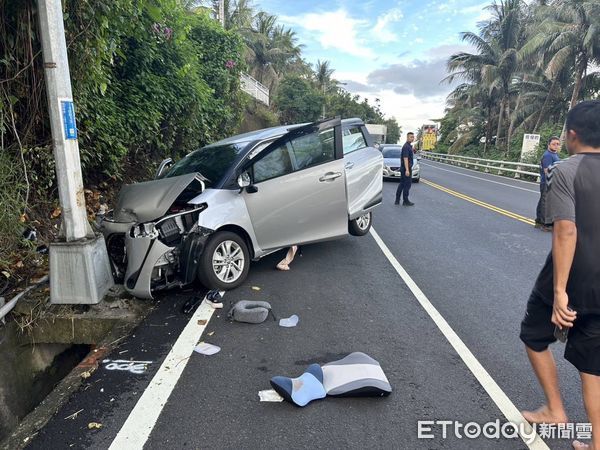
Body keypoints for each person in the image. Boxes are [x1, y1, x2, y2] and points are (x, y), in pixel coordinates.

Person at [519, 100, 600, 450]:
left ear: (571, 135)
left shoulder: (565, 170)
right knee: (594, 366)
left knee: (534, 336)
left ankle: (555, 409)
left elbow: (566, 231)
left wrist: (560, 292)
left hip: (571, 280)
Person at [535, 136, 561, 231]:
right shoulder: (548, 155)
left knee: (543, 201)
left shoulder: (555, 155)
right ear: (549, 144)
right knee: (546, 203)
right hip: (547, 182)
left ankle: (538, 221)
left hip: (551, 181)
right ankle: (545, 224)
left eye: (558, 144)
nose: (556, 146)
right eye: (554, 144)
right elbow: (547, 171)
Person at [394, 132, 415, 206]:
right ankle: (405, 201)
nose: (412, 138)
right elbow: (405, 158)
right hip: (406, 168)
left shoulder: (408, 146)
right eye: (411, 137)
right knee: (407, 185)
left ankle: (397, 200)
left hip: (404, 168)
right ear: (407, 137)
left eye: (413, 137)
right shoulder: (406, 147)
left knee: (402, 184)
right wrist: (407, 170)